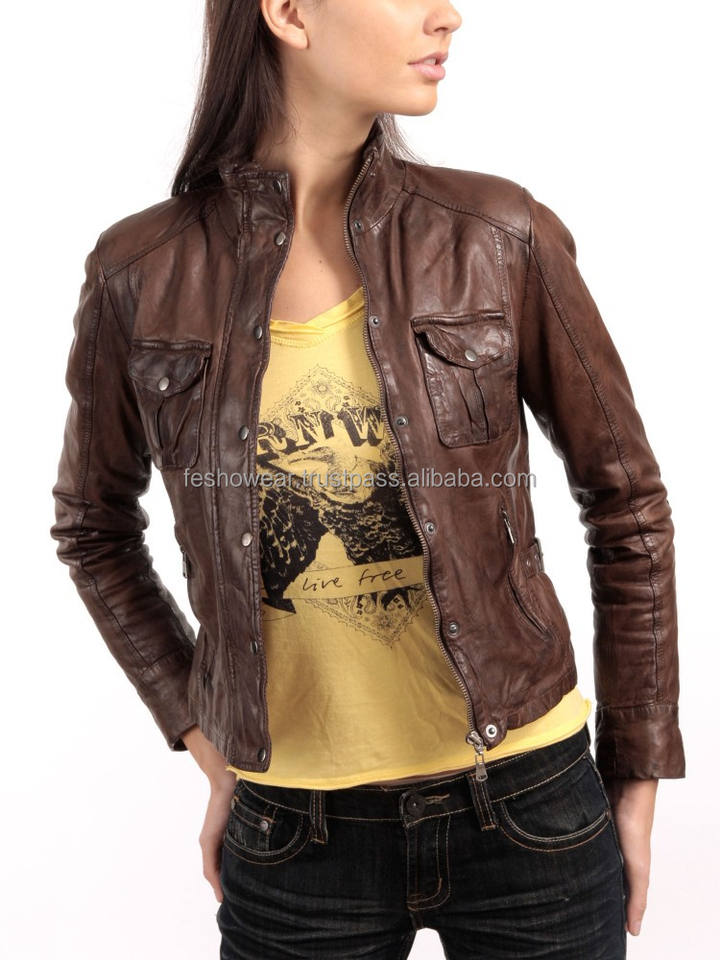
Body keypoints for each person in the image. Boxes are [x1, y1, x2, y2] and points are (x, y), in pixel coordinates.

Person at [49, 1, 686, 957]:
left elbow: (626, 502)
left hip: (531, 808)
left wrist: (636, 768)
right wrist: (205, 736)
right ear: (289, 12)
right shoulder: (139, 271)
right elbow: (93, 528)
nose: (448, 15)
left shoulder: (498, 234)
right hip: (293, 841)